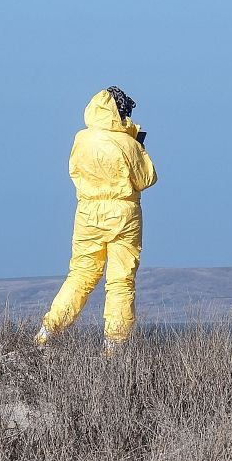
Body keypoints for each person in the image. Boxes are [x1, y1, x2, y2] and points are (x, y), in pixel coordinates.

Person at [36, 86, 157, 352]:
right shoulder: (126, 143)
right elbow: (146, 178)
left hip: (88, 211)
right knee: (120, 279)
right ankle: (115, 344)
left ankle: (48, 332)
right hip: (123, 212)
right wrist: (135, 142)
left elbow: (74, 171)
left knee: (80, 275)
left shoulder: (81, 139)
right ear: (120, 111)